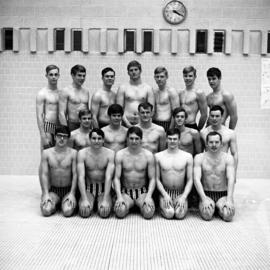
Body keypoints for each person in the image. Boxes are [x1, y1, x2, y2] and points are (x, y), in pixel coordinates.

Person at [114, 126, 156, 219]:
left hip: (142, 192)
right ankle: (129, 206)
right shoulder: (120, 155)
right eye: (131, 138)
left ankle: (139, 206)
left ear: (141, 139)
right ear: (127, 139)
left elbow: (152, 178)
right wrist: (119, 197)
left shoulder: (148, 155)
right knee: (120, 212)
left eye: (137, 138)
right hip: (126, 192)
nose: (134, 141)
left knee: (148, 213)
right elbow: (116, 178)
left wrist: (149, 196)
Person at [194, 131, 236, 221]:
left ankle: (219, 207)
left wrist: (229, 199)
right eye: (211, 142)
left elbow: (231, 179)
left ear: (221, 144)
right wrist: (204, 198)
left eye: (217, 142)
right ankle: (213, 207)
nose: (214, 145)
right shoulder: (199, 158)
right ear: (206, 144)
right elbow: (196, 179)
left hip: (222, 194)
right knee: (207, 215)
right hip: (206, 194)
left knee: (228, 216)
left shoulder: (228, 158)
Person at [39, 126, 77, 217]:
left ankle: (63, 203)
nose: (62, 139)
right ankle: (55, 204)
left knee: (67, 212)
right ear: (55, 137)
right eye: (59, 136)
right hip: (53, 190)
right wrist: (45, 193)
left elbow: (76, 175)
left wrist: (72, 193)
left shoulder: (73, 153)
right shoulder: (46, 153)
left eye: (65, 136)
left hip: (68, 190)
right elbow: (44, 174)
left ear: (68, 138)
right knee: (46, 211)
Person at [155, 129, 193, 219]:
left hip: (180, 193)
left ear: (179, 140)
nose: (172, 141)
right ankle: (163, 205)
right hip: (165, 192)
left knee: (179, 215)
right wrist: (164, 195)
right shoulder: (158, 156)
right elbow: (156, 179)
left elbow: (190, 180)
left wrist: (184, 196)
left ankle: (179, 202)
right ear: (166, 140)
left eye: (175, 139)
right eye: (170, 139)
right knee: (169, 214)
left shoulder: (187, 156)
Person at [77, 128, 115, 218]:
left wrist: (106, 199)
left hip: (103, 189)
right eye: (94, 138)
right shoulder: (82, 154)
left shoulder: (110, 154)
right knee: (85, 212)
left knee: (104, 213)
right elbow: (80, 177)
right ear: (90, 140)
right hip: (88, 189)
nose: (96, 141)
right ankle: (90, 202)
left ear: (103, 140)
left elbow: (109, 177)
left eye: (99, 138)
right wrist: (84, 199)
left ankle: (101, 201)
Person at [200, 105, 238, 174]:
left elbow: (234, 154)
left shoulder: (230, 133)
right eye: (212, 116)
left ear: (222, 117)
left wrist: (234, 172)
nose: (214, 118)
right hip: (208, 168)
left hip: (223, 168)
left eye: (217, 116)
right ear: (209, 117)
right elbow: (200, 154)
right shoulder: (203, 133)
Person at [116, 60, 154, 127]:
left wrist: (143, 123)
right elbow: (119, 109)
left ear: (140, 71)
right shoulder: (122, 88)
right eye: (131, 70)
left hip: (143, 123)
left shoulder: (148, 88)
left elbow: (152, 110)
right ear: (128, 73)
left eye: (136, 70)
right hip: (126, 122)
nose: (134, 72)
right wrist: (127, 124)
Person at [59, 65, 90, 132]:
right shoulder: (66, 91)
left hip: (85, 124)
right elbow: (61, 113)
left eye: (84, 76)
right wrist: (65, 130)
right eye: (79, 75)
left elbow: (87, 111)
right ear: (72, 76)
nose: (82, 78)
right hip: (72, 124)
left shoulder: (86, 92)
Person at [36, 65, 60, 150]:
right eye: (51, 74)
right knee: (46, 157)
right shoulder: (42, 93)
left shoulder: (61, 93)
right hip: (48, 127)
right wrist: (43, 136)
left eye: (56, 74)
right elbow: (39, 116)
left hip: (60, 127)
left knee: (57, 158)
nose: (53, 77)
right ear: (46, 76)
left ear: (58, 76)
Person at [179, 66, 208, 131]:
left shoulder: (199, 93)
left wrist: (198, 129)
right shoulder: (180, 93)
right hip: (180, 126)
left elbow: (204, 115)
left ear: (195, 77)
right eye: (185, 76)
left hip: (191, 126)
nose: (187, 78)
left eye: (190, 76)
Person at [152, 66, 179, 132]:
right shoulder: (153, 92)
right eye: (157, 77)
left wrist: (170, 129)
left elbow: (176, 112)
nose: (159, 79)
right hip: (154, 123)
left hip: (167, 124)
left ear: (166, 77)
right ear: (154, 78)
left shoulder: (171, 92)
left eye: (162, 76)